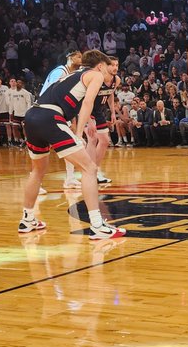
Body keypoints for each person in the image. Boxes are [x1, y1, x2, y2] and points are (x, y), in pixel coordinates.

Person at [19, 50, 125, 240]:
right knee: (89, 168)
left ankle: (27, 220)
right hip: (50, 117)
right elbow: (88, 104)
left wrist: (88, 123)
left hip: (32, 116)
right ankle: (97, 225)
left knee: (37, 171)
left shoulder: (72, 75)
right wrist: (78, 133)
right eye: (107, 67)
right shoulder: (95, 75)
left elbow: (77, 101)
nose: (109, 71)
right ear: (100, 65)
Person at [40, 50, 83, 188]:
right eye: (78, 56)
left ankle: (70, 178)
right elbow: (52, 92)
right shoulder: (59, 72)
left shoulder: (69, 73)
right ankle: (37, 183)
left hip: (58, 110)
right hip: (46, 109)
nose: (81, 59)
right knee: (43, 150)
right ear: (69, 58)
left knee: (70, 143)